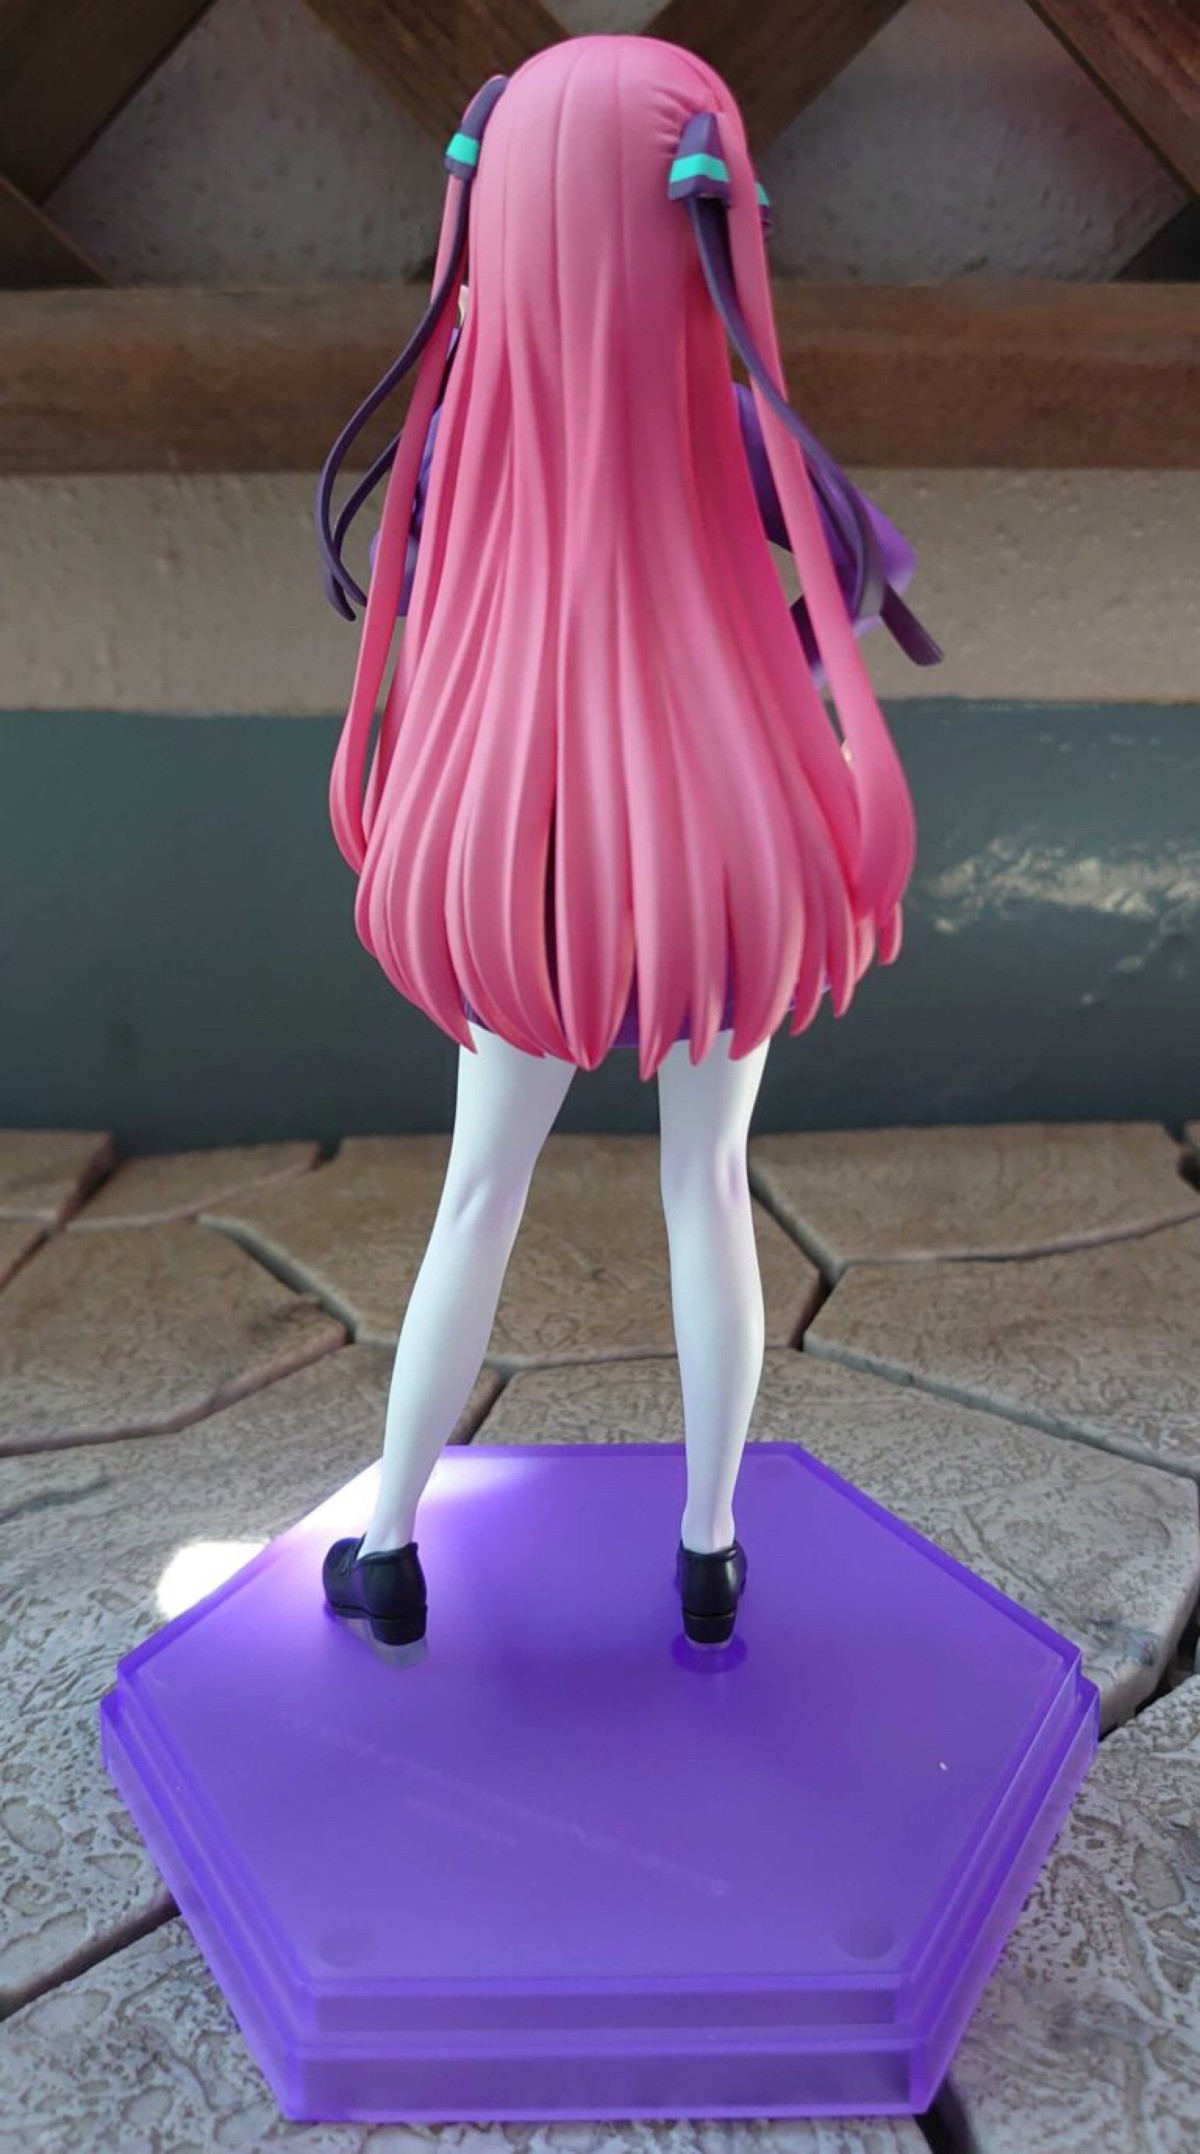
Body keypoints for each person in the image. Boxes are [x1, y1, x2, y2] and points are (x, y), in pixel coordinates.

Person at [314, 35, 935, 1660]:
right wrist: (740, 657)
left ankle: (389, 1546)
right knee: (706, 1180)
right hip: (713, 852)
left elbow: (417, 605)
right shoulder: (734, 430)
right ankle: (709, 1549)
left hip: (516, 850)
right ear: (708, 222)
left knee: (478, 1189)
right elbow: (859, 573)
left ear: (496, 221)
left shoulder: (462, 437)